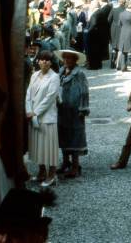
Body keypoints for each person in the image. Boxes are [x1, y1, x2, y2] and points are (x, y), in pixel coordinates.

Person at [25, 51, 61, 187]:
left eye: (47, 60)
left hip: (47, 116)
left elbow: (50, 98)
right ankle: (41, 172)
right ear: (38, 61)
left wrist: (35, 112)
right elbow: (28, 94)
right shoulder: (34, 75)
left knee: (49, 147)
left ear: (51, 62)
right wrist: (29, 110)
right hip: (33, 115)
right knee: (38, 146)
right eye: (41, 59)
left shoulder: (54, 77)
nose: (44, 62)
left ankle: (52, 175)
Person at [56, 49, 89, 178]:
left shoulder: (79, 73)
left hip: (75, 110)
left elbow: (84, 92)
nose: (66, 61)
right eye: (64, 58)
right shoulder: (60, 72)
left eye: (69, 58)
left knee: (75, 136)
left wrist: (83, 109)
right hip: (62, 109)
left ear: (75, 60)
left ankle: (75, 166)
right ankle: (65, 162)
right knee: (63, 134)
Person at [116, 1, 131, 72]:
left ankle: (123, 67)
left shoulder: (121, 14)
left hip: (123, 32)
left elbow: (119, 24)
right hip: (130, 33)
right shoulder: (130, 14)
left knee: (123, 50)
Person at [108, 0, 126, 69]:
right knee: (120, 47)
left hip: (113, 29)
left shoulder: (114, 10)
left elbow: (109, 19)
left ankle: (112, 63)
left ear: (119, 2)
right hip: (122, 29)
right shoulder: (125, 11)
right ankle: (119, 63)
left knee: (114, 46)